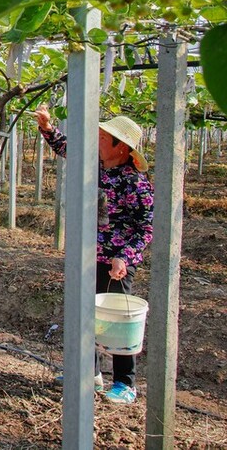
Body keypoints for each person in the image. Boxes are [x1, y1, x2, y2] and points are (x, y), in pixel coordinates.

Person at [35, 106, 154, 404]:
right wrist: (48, 127)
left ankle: (126, 383)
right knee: (85, 314)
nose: (96, 141)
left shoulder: (135, 183)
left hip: (116, 263)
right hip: (88, 254)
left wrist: (124, 257)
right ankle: (90, 374)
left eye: (103, 137)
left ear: (122, 147)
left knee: (117, 319)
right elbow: (66, 148)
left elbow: (146, 228)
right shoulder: (95, 165)